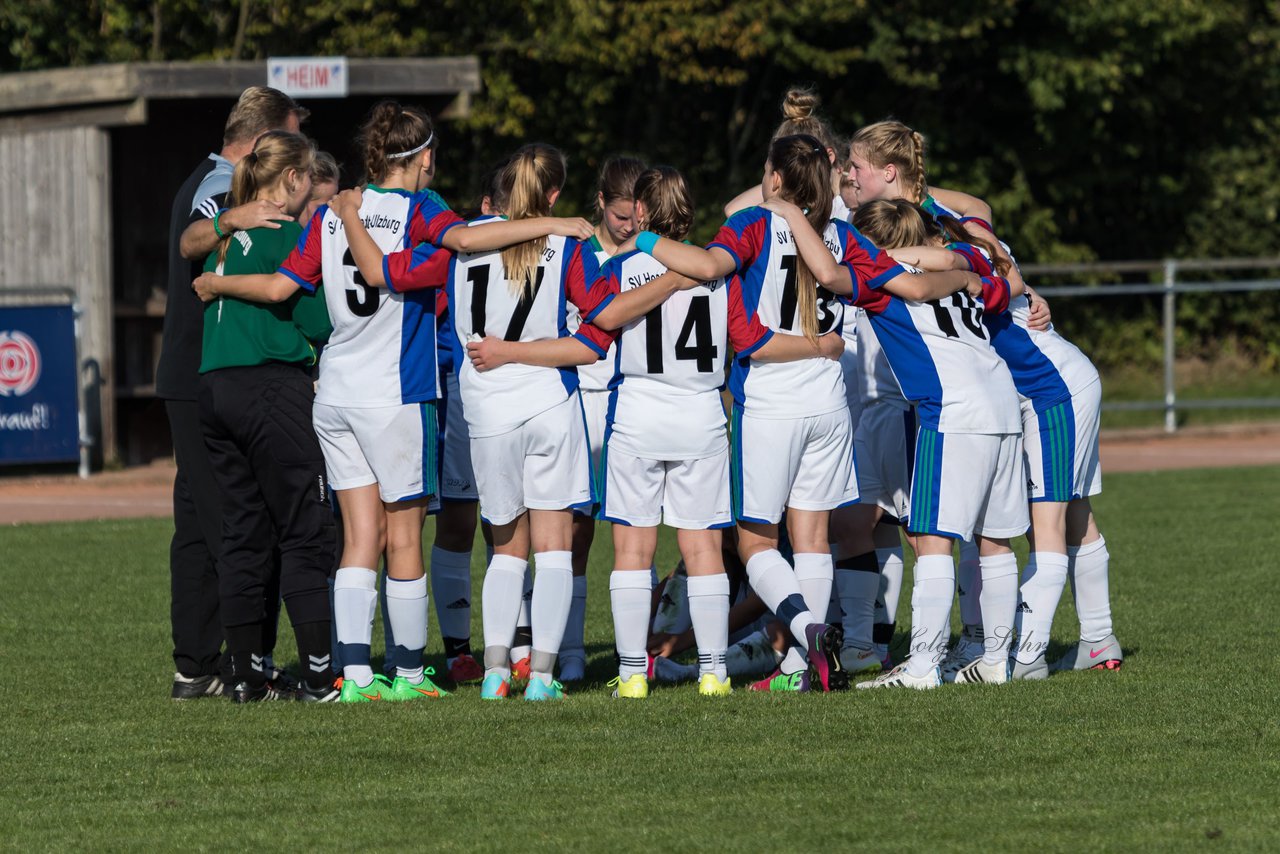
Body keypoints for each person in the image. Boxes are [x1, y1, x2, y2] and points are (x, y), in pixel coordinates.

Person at [635, 135, 980, 692]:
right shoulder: (840, 234)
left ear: (773, 178)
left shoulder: (752, 225)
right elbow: (911, 286)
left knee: (756, 542)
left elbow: (703, 266)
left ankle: (805, 628)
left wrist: (642, 236)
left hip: (771, 402)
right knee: (815, 538)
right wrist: (967, 274)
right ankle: (801, 667)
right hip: (828, 403)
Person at [775, 196, 1026, 688]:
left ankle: (923, 665)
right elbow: (984, 262)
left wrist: (791, 215)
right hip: (1000, 399)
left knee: (931, 540)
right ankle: (997, 659)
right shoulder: (959, 260)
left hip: (950, 410)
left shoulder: (879, 279)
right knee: (995, 538)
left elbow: (828, 274)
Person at [161, 85, 307, 699]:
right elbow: (194, 242)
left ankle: (197, 666)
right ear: (260, 141)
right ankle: (251, 664)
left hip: (192, 377)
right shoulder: (220, 189)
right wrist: (231, 218)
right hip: (211, 374)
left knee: (199, 524)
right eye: (290, 139)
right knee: (240, 524)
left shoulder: (209, 177)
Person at [192, 130, 338, 702]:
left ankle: (248, 677)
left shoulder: (228, 235)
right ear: (295, 180)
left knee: (244, 533)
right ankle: (321, 676)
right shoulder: (285, 232)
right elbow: (320, 322)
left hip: (215, 388)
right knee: (305, 530)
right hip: (269, 385)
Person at [557, 155, 647, 684]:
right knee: (572, 532)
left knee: (635, 534)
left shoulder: (654, 256)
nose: (629, 226)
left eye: (637, 216)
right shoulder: (576, 253)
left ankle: (639, 652)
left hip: (634, 405)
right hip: (581, 404)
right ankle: (567, 651)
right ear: (600, 207)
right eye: (619, 217)